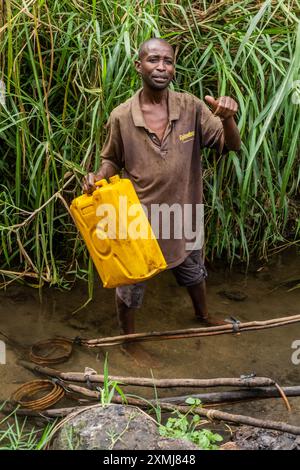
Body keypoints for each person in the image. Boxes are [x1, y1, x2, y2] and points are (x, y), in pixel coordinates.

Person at [82, 38, 241, 365]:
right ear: (139, 66)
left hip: (184, 212)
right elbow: (111, 159)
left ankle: (203, 316)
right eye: (153, 60)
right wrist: (98, 175)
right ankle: (129, 342)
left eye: (167, 61)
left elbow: (231, 145)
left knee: (194, 271)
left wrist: (227, 117)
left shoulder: (191, 107)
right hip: (138, 220)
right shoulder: (122, 117)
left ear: (173, 67)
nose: (161, 67)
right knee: (131, 286)